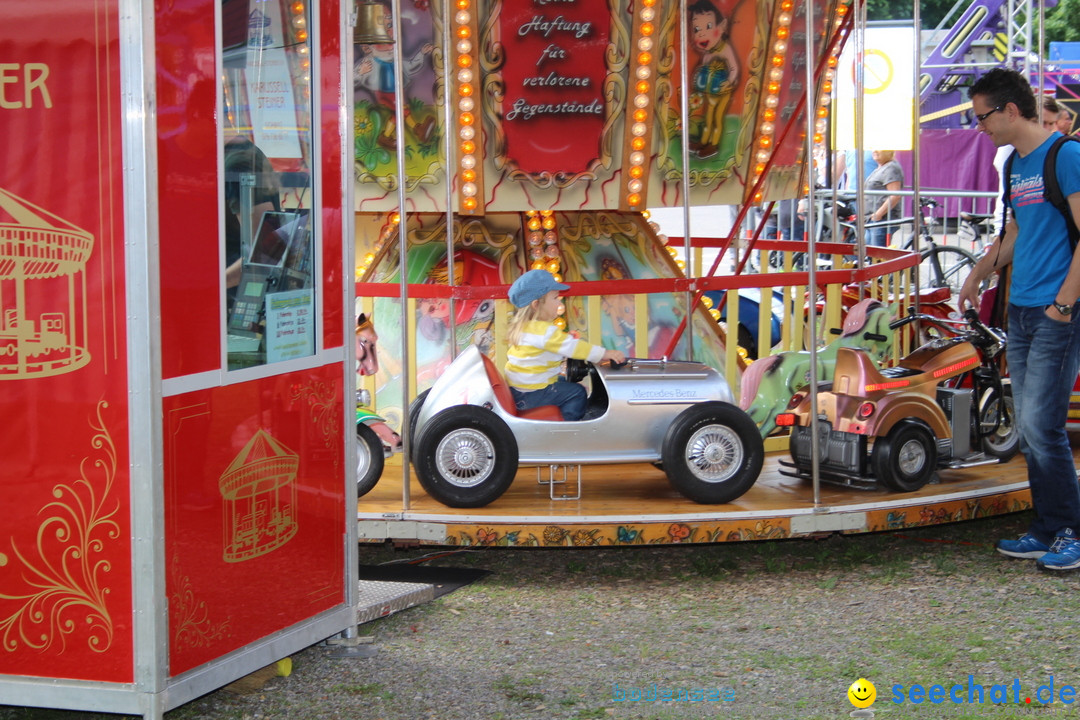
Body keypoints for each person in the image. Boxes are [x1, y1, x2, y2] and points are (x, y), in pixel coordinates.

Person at [958, 67, 1080, 571]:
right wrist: (979, 273)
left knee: (1041, 425)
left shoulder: (1066, 155)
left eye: (983, 116)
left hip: (1057, 312)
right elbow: (1015, 230)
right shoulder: (1016, 166)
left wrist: (1064, 306)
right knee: (1031, 429)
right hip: (1025, 312)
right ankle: (1048, 527)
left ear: (1010, 110)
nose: (979, 127)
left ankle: (1069, 530)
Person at [504, 270, 626, 421]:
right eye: (555, 298)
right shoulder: (544, 331)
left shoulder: (526, 328)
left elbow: (544, 352)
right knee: (577, 392)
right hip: (533, 393)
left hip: (520, 390)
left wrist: (565, 341)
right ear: (536, 305)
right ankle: (567, 427)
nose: (559, 303)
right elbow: (574, 348)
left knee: (565, 382)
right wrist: (605, 354)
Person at [688, 0, 739, 160]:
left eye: (708, 27)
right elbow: (703, 68)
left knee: (717, 118)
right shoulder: (709, 52)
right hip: (710, 90)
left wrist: (729, 81)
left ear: (722, 27)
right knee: (707, 117)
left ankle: (714, 144)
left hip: (722, 91)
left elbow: (734, 68)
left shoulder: (725, 49)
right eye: (697, 29)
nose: (702, 34)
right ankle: (703, 142)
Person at [863, 150, 903, 247]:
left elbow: (895, 195)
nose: (875, 151)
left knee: (878, 255)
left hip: (881, 220)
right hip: (872, 219)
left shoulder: (891, 168)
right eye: (874, 148)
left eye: (879, 148)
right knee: (870, 253)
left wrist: (879, 214)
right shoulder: (881, 167)